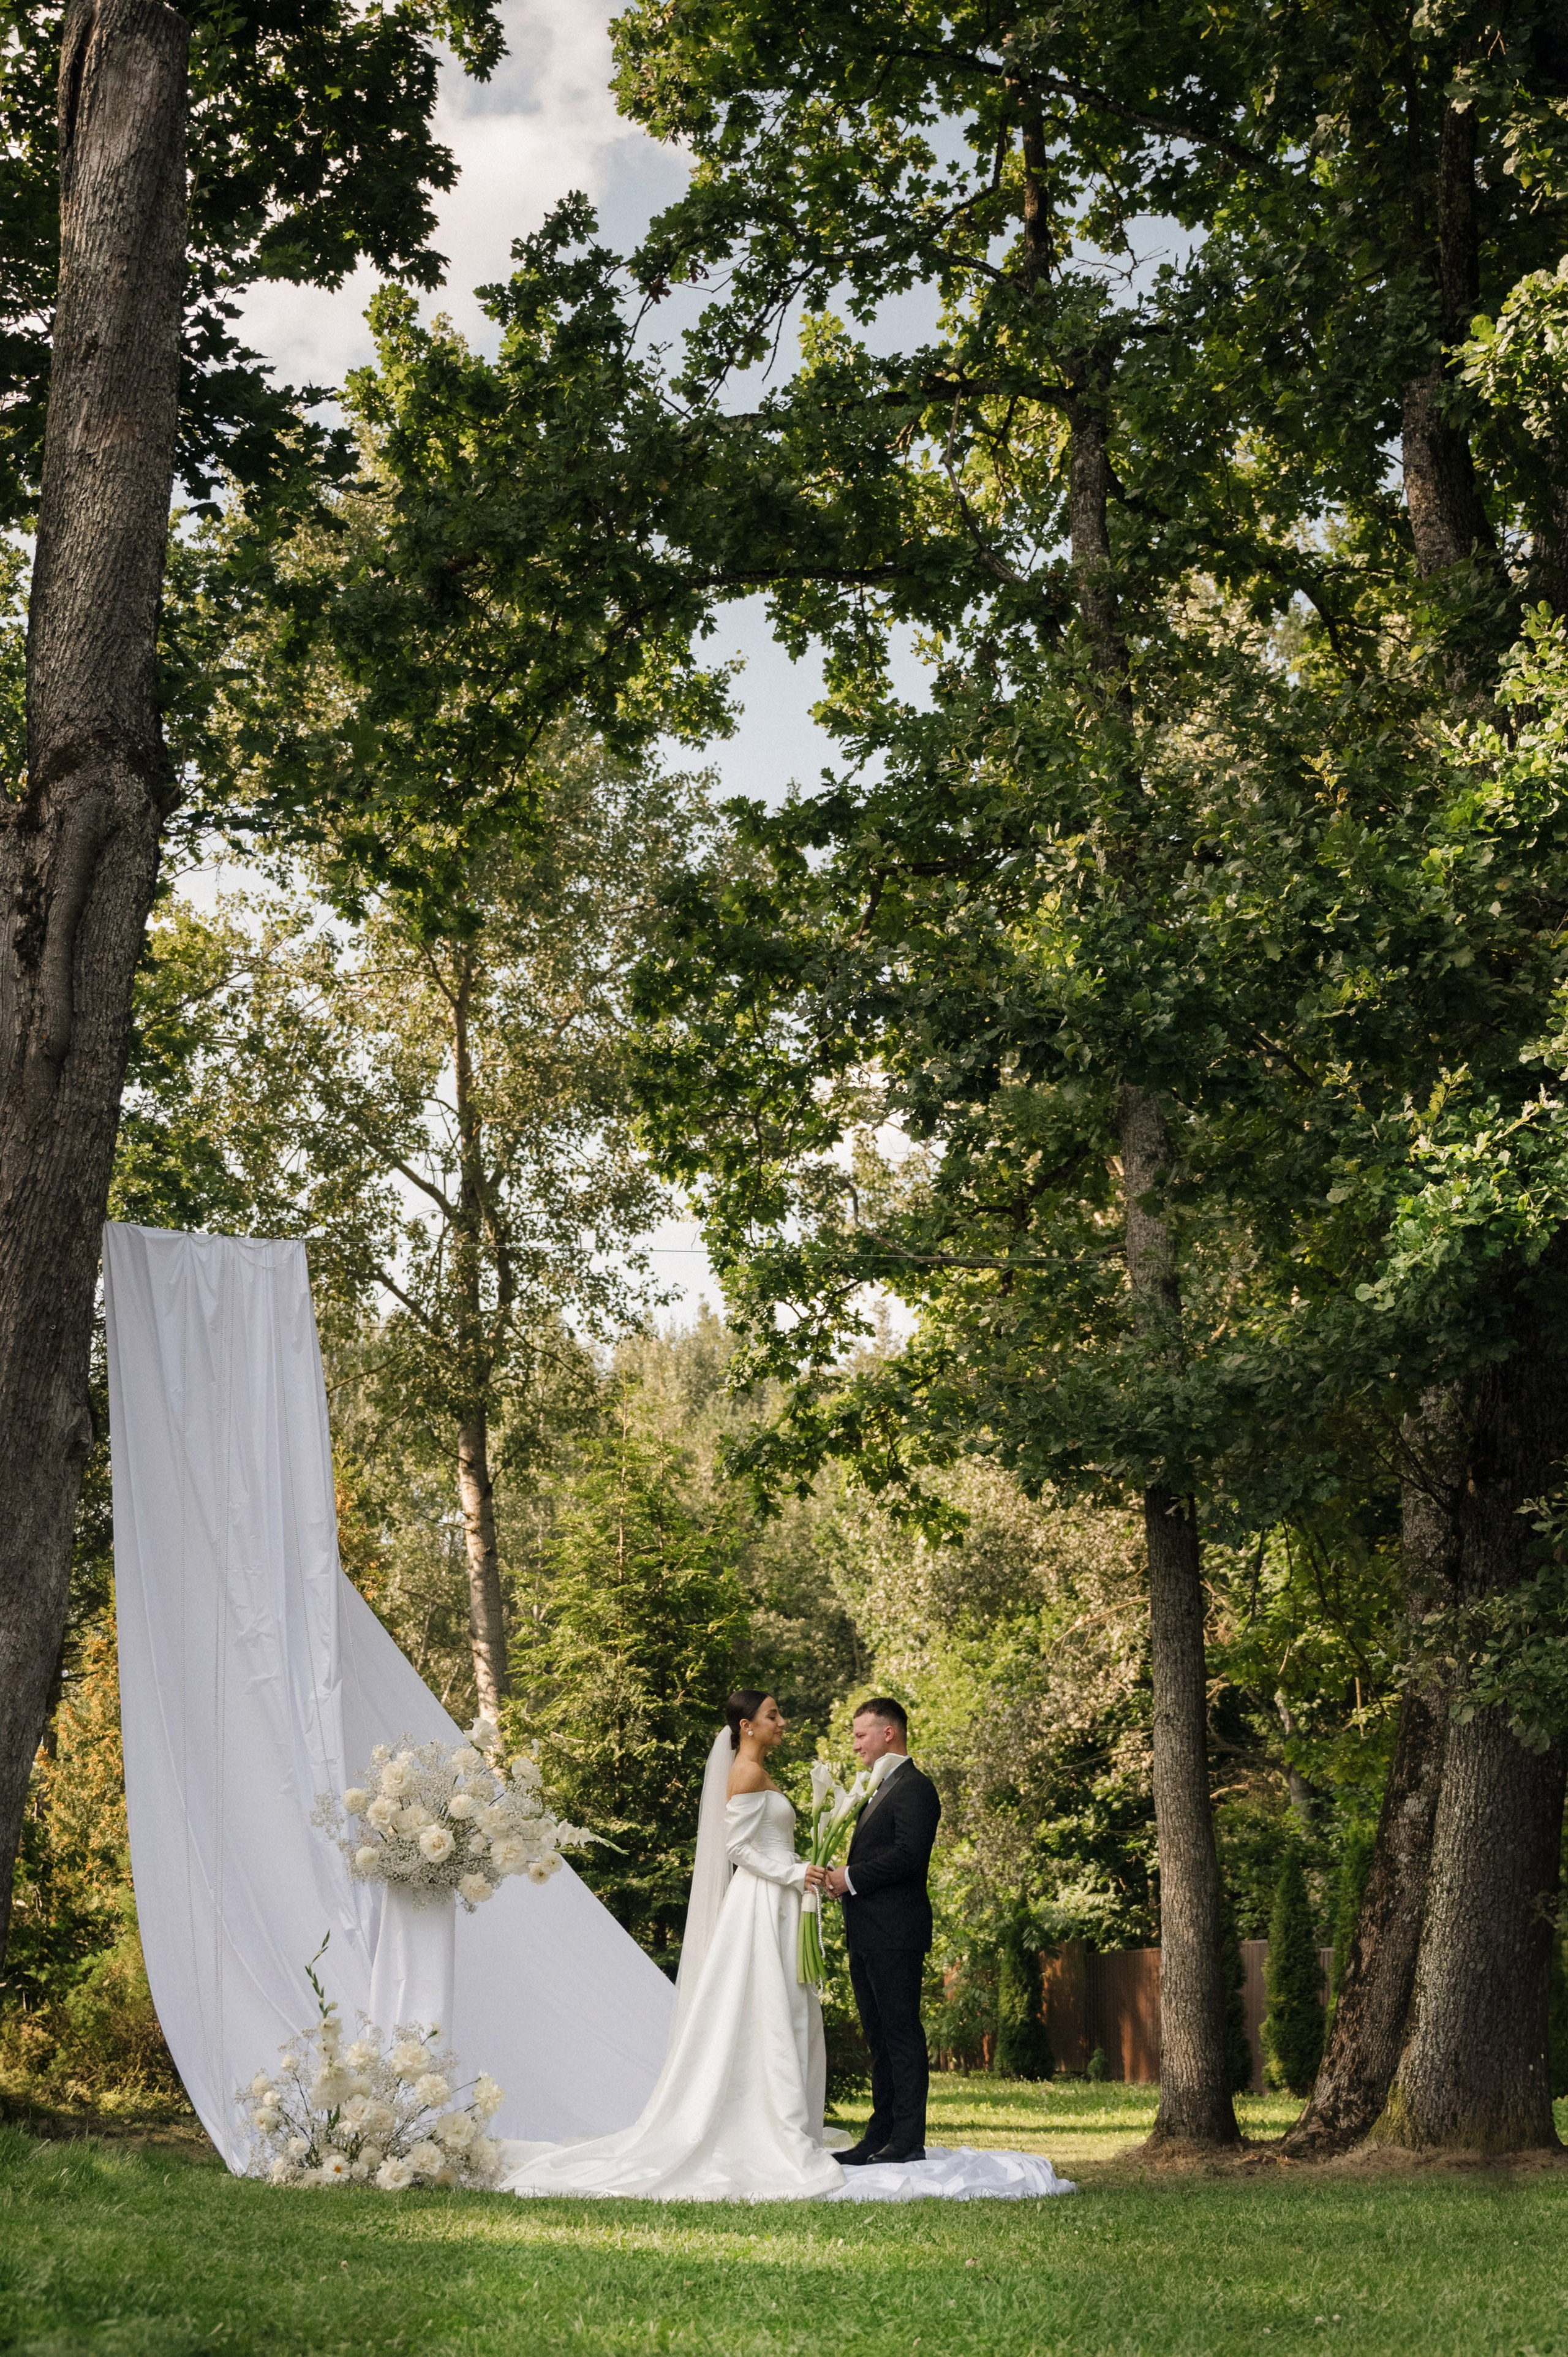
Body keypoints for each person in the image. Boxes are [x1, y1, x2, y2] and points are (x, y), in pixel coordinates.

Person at [499, 1688, 844, 2201]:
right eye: (773, 1715)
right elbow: (738, 1848)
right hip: (762, 1901)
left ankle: (785, 2117)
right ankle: (769, 2121)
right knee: (770, 2005)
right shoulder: (746, 1773)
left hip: (782, 1899)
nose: (783, 1722)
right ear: (746, 1725)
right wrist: (794, 1871)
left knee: (789, 2005)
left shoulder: (759, 1770)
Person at [823, 1697, 941, 2165]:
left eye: (860, 1735)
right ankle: (881, 2133)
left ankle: (908, 2139)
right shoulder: (878, 1789)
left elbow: (909, 1856)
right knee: (878, 2037)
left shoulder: (916, 1787)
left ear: (888, 1732)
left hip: (896, 1932)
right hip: (868, 1932)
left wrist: (848, 1877)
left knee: (900, 2033)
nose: (855, 1746)